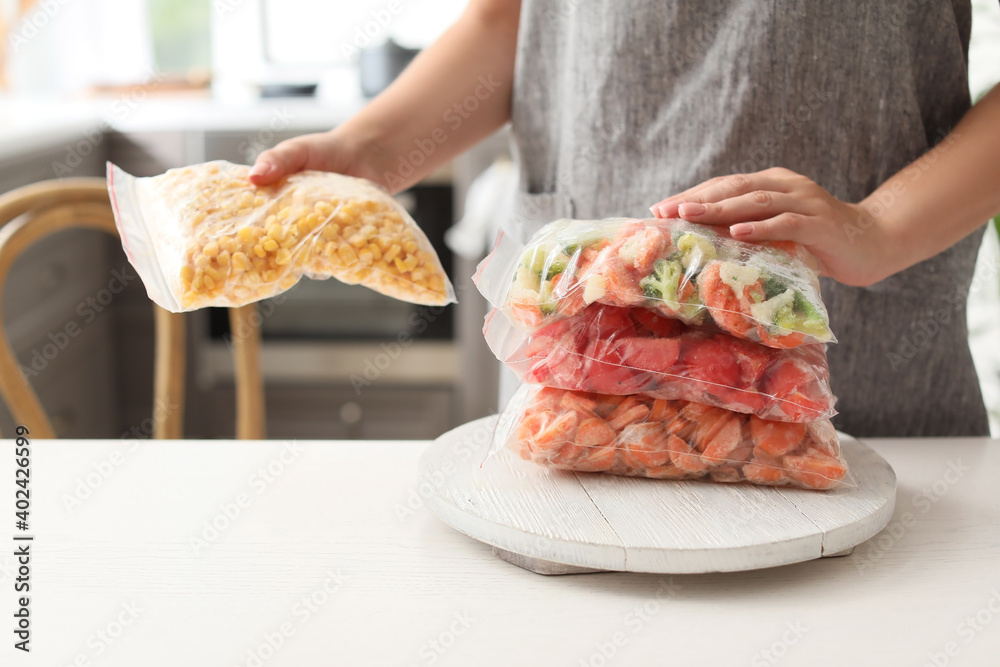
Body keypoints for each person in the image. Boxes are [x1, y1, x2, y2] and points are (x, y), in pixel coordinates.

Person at [250, 0, 1000, 437]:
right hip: (582, 404)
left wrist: (882, 227)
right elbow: (517, 19)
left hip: (877, 398)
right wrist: (369, 149)